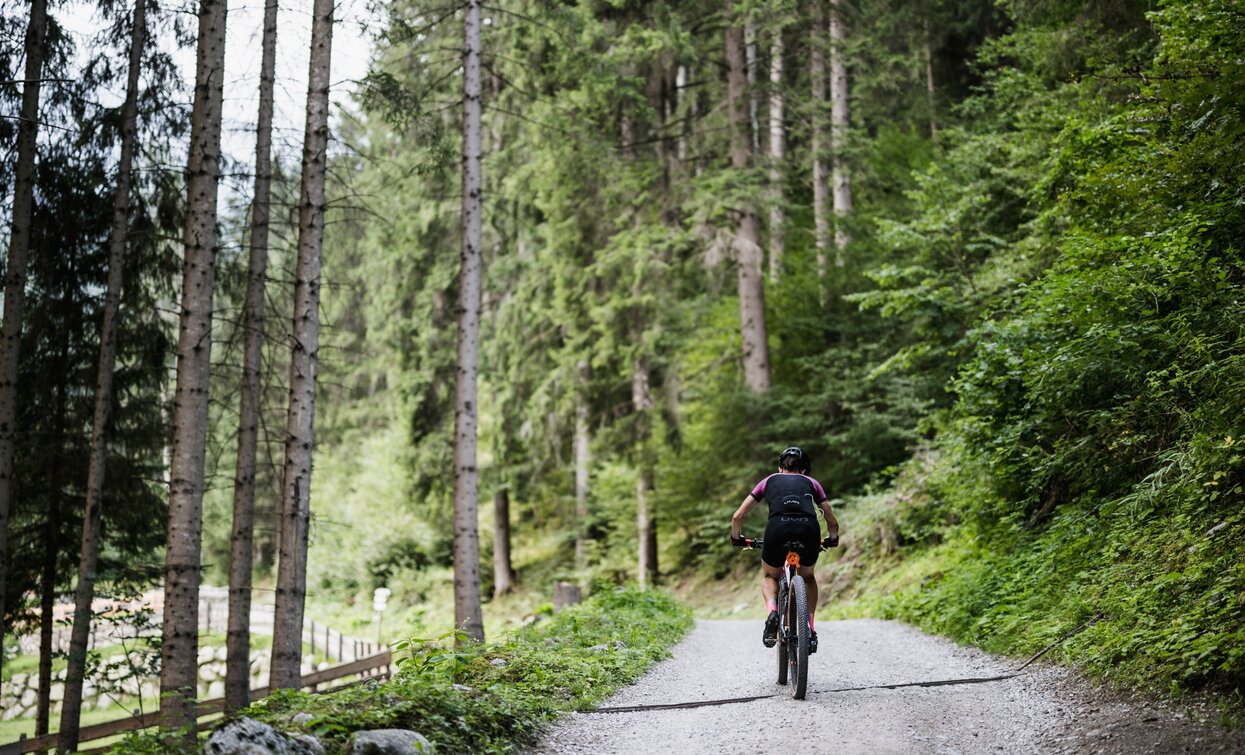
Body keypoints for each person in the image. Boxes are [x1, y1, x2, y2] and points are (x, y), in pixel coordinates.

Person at [730, 447, 839, 653]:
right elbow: (831, 520)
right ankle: (810, 629)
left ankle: (772, 611)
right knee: (807, 577)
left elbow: (737, 516)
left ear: (780, 468)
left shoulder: (768, 481)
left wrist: (737, 539)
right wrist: (832, 539)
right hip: (809, 529)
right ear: (804, 470)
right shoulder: (812, 483)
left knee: (770, 576)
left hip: (777, 529)